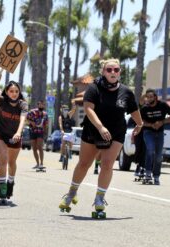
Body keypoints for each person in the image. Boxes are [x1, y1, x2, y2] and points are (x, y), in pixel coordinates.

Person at [58, 58, 143, 217]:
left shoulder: (126, 92)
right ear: (103, 72)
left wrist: (140, 124)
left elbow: (134, 110)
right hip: (93, 129)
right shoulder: (94, 88)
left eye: (116, 70)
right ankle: (71, 193)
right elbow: (89, 109)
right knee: (84, 164)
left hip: (116, 132)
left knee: (107, 163)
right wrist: (100, 127)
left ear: (120, 72)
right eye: (109, 70)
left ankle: (99, 198)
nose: (113, 72)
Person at [0, 72, 28, 202]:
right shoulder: (2, 101)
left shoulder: (23, 104)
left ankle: (11, 182)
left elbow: (23, 119)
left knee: (12, 162)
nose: (14, 93)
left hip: (14, 136)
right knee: (4, 159)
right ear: (6, 92)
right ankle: (2, 190)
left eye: (16, 91)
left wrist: (18, 133)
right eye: (11, 91)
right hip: (0, 134)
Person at [140, 89, 170, 185]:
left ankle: (156, 176)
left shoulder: (162, 105)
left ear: (155, 97)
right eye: (147, 97)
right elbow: (140, 122)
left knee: (158, 156)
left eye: (151, 97)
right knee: (150, 150)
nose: (148, 99)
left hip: (160, 133)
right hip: (148, 132)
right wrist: (151, 125)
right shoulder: (144, 108)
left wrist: (162, 122)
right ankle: (148, 173)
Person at [27, 100, 48, 169]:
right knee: (34, 148)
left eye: (43, 105)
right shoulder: (32, 112)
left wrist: (45, 132)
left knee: (40, 147)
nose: (42, 106)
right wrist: (31, 122)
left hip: (40, 132)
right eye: (40, 104)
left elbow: (45, 124)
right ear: (38, 105)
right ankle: (37, 163)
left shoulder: (45, 114)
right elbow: (26, 118)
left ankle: (41, 164)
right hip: (33, 131)